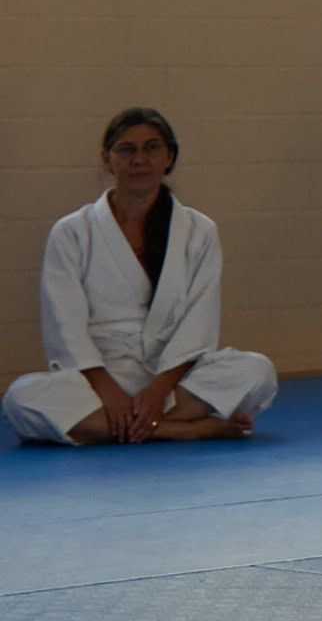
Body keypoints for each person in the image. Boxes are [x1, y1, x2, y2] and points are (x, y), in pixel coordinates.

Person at [3, 108, 277, 446]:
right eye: (126, 149)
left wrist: (159, 389)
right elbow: (64, 326)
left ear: (169, 157)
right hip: (98, 377)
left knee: (258, 370)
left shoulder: (198, 230)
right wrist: (108, 391)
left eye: (151, 148)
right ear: (106, 159)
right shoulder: (72, 232)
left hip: (172, 377)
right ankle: (182, 428)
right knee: (21, 398)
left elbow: (199, 323)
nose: (139, 159)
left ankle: (113, 427)